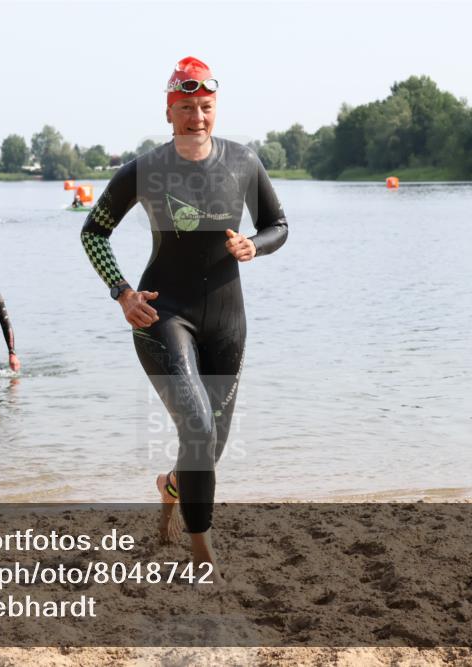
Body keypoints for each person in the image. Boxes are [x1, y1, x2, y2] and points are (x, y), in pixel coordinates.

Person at [79, 56, 288, 579]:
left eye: (205, 107)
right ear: (169, 112)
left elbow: (278, 224)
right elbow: (93, 231)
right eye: (187, 108)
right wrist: (122, 293)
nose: (197, 117)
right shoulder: (146, 169)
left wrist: (254, 246)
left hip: (227, 318)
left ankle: (172, 486)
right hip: (162, 314)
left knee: (210, 443)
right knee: (196, 426)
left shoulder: (243, 161)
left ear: (215, 108)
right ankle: (202, 556)